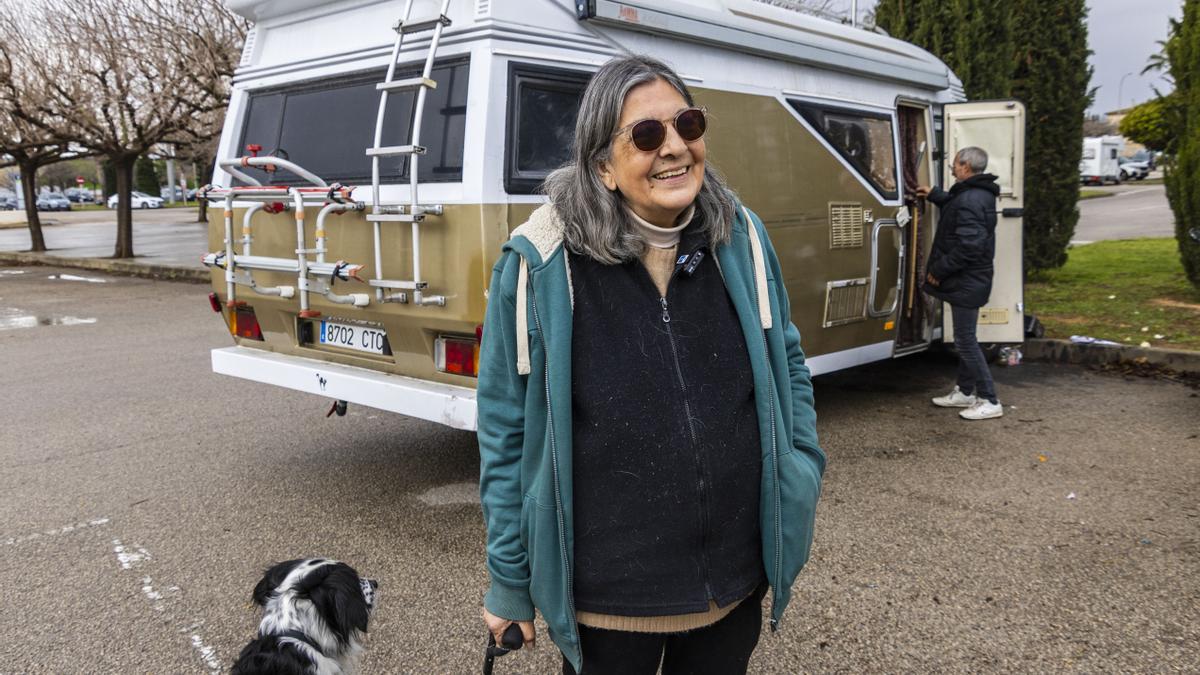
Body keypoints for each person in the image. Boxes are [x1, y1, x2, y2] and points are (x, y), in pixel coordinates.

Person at [476, 55, 825, 675]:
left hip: (733, 585)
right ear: (604, 167)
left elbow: (788, 363)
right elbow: (505, 430)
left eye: (686, 124)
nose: (674, 148)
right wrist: (509, 579)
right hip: (608, 604)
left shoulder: (739, 239)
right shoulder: (540, 264)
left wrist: (800, 468)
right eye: (645, 134)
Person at [915, 146, 1003, 421]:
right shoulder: (974, 194)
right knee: (967, 338)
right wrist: (935, 195)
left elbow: (969, 246)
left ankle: (989, 399)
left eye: (955, 164)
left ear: (965, 166)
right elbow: (957, 209)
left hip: (967, 279)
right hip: (973, 279)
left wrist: (938, 271)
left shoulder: (970, 199)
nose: (952, 168)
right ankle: (965, 392)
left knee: (965, 341)